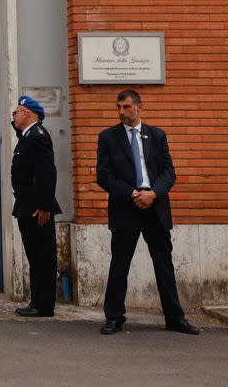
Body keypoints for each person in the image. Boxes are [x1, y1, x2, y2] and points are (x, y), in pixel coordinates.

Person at [96, 89, 199, 335]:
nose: (121, 112)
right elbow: (104, 176)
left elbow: (168, 172)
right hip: (125, 207)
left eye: (127, 107)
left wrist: (153, 194)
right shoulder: (108, 137)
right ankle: (114, 317)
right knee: (120, 264)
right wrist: (132, 194)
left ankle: (175, 318)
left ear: (139, 107)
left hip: (155, 207)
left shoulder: (157, 135)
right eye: (118, 107)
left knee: (164, 264)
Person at [11, 95, 61, 317]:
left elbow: (47, 173)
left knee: (42, 256)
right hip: (29, 204)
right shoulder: (28, 135)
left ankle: (42, 305)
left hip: (36, 207)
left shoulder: (37, 137)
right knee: (35, 255)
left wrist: (44, 206)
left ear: (28, 114)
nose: (14, 116)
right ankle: (38, 301)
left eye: (17, 112)